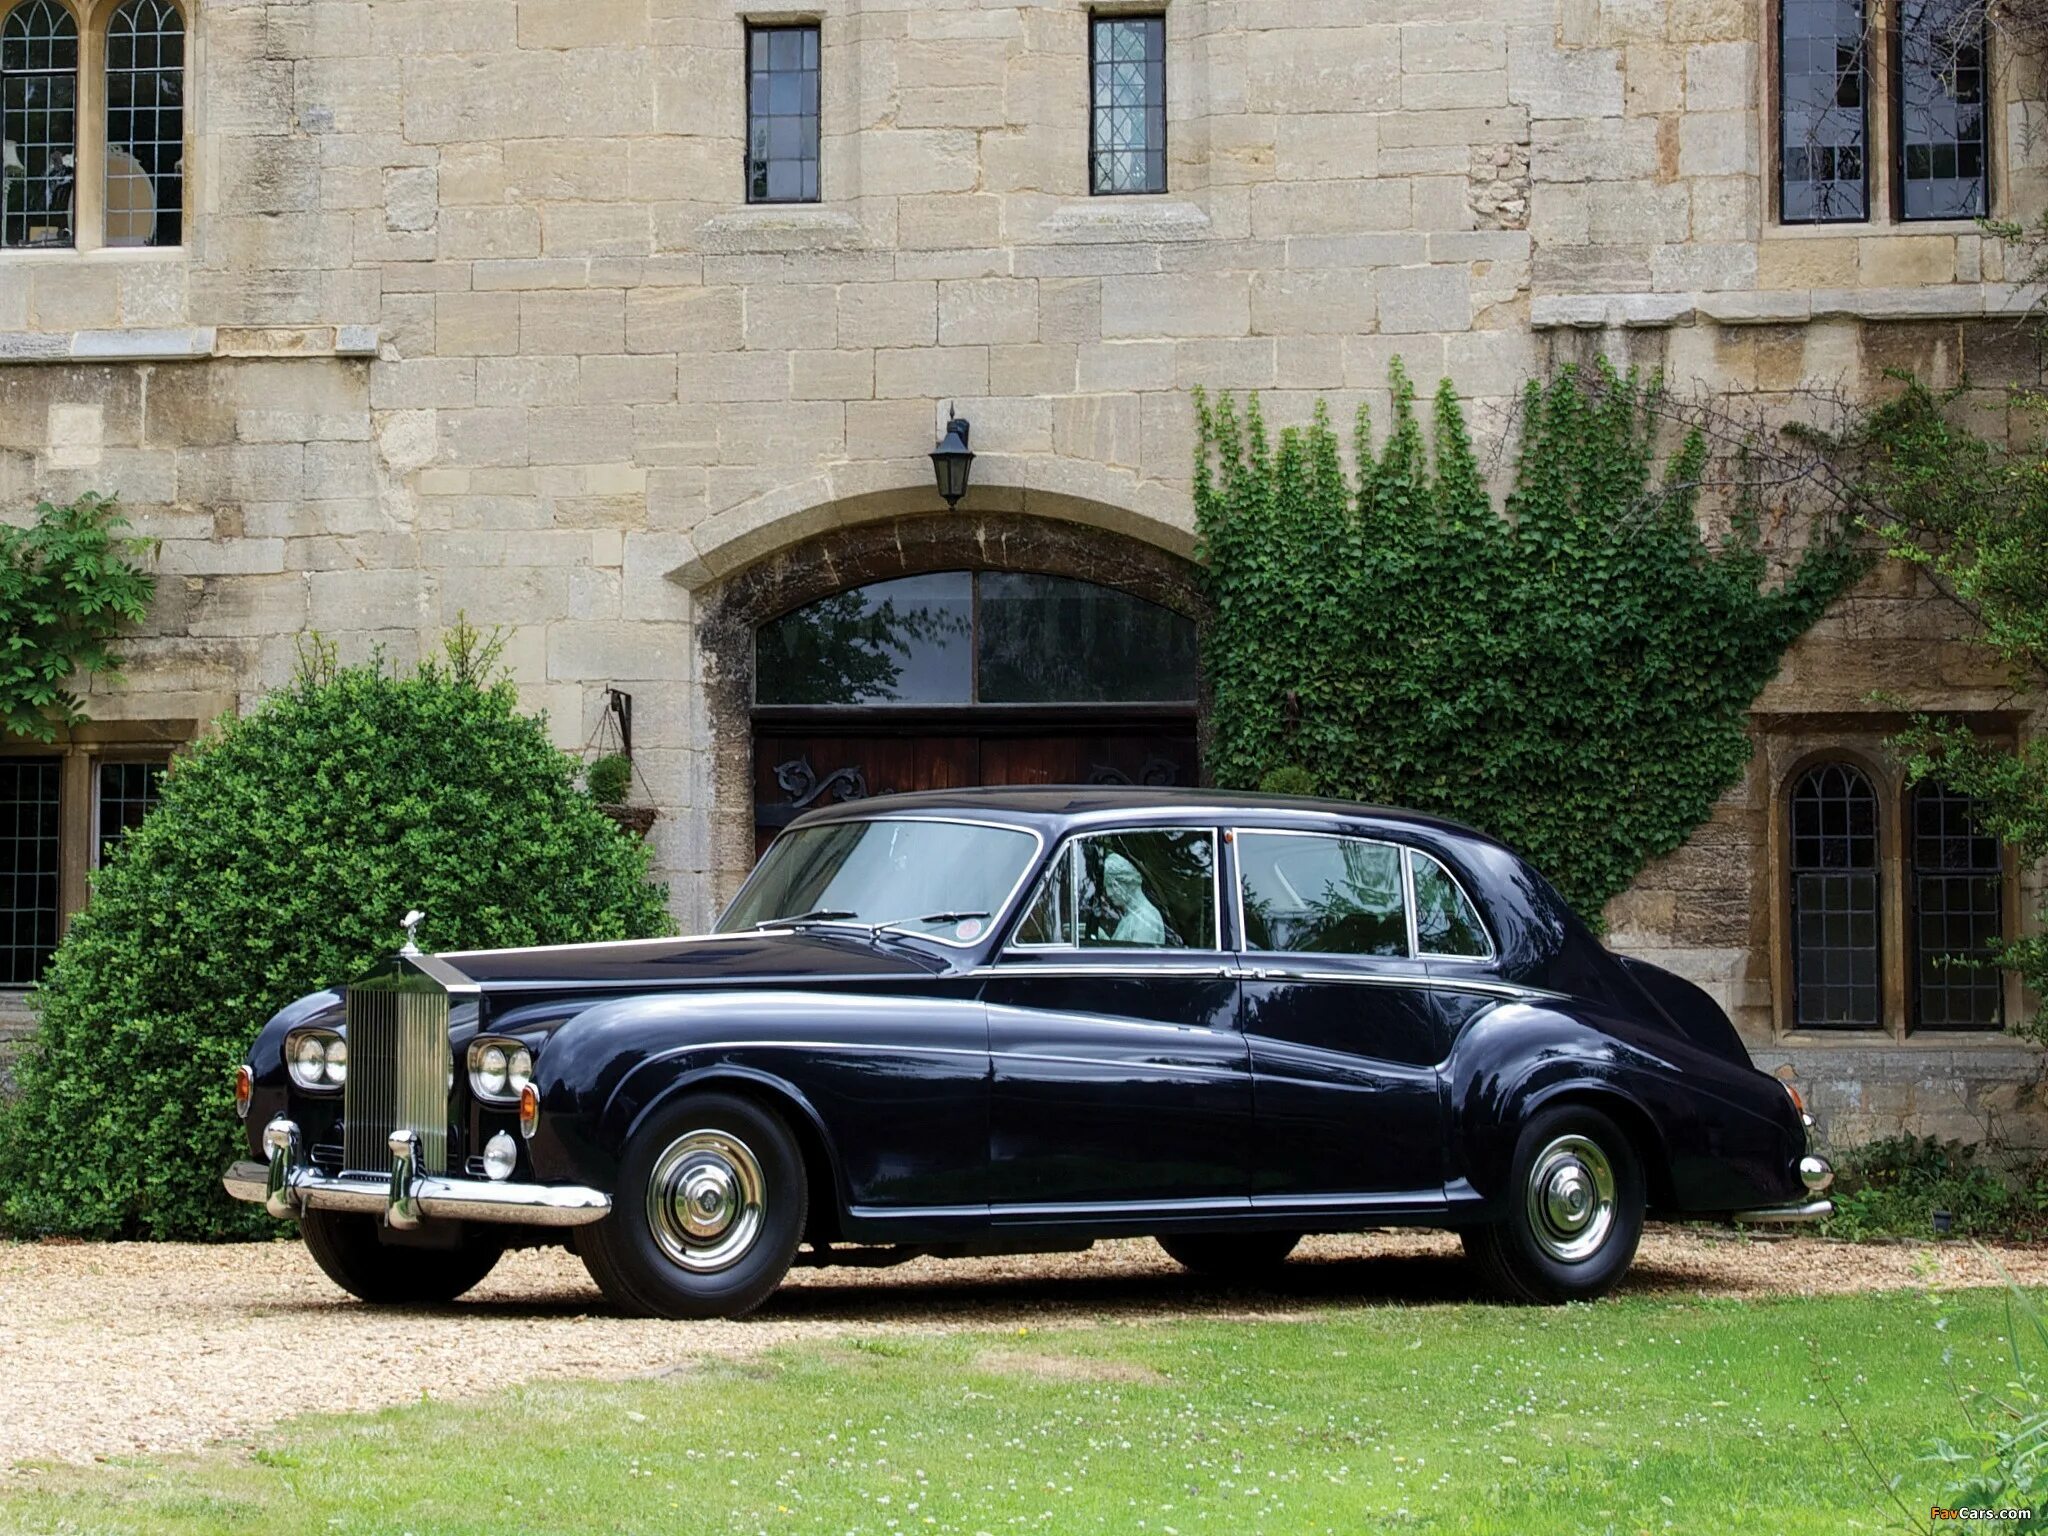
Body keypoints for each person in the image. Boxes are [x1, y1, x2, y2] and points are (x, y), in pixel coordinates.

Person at [1101, 851, 1165, 946]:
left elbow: (1135, 959)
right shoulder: (1132, 916)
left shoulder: (1145, 920)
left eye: (1111, 885)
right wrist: (1103, 939)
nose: (1109, 893)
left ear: (1126, 881)